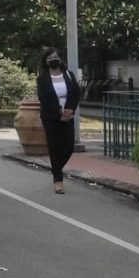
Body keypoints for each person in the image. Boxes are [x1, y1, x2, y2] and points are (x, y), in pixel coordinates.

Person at [37, 47, 81, 194]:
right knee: (55, 147)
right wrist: (58, 112)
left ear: (60, 59)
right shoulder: (42, 78)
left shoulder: (69, 75)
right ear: (46, 61)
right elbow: (44, 98)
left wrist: (70, 109)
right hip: (51, 117)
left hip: (68, 115)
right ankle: (58, 180)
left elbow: (76, 93)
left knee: (68, 146)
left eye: (55, 57)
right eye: (50, 58)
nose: (53, 60)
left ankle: (57, 168)